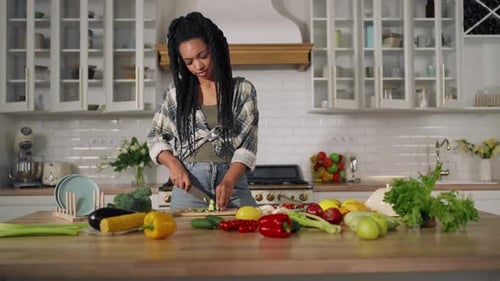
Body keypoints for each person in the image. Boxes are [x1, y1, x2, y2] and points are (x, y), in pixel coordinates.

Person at [146, 12, 259, 211]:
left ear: (215, 49)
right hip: (190, 186)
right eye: (189, 62)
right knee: (186, 242)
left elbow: (247, 146)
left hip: (232, 185)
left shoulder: (242, 90)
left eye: (203, 56)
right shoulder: (175, 94)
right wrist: (173, 164)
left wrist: (229, 181)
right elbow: (155, 137)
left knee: (246, 240)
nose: (198, 66)